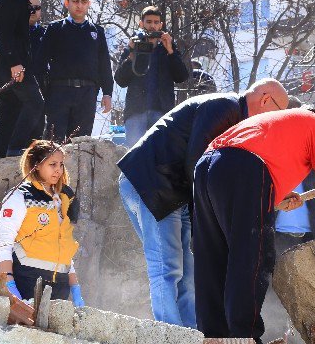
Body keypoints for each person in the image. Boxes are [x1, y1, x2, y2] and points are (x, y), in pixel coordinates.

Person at [192, 105, 315, 344]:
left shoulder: (273, 125)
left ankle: (213, 341)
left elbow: (237, 165)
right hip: (244, 169)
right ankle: (244, 341)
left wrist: (274, 196)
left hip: (206, 166)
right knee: (251, 256)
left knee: (213, 256)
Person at [117, 79, 289, 328]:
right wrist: (205, 225)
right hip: (151, 183)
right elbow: (197, 163)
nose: (276, 122)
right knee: (167, 268)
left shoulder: (237, 120)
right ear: (265, 100)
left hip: (177, 192)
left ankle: (191, 335)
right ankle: (171, 337)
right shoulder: (223, 107)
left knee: (187, 275)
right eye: (278, 113)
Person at [0, 140, 83, 305]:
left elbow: (65, 246)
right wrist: (8, 281)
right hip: (28, 280)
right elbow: (4, 242)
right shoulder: (20, 195)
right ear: (36, 165)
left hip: (60, 285)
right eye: (52, 164)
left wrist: (75, 287)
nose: (58, 169)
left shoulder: (65, 197)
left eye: (61, 164)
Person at [41, 0, 113, 141]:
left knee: (82, 144)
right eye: (75, 1)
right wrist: (45, 91)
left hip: (87, 94)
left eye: (83, 1)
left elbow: (104, 65)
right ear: (66, 3)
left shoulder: (97, 31)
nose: (79, 5)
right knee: (54, 142)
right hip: (59, 92)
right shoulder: (55, 29)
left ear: (89, 4)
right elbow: (40, 62)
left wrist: (107, 93)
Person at [0, 0, 45, 156]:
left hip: (12, 64)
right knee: (35, 103)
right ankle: (16, 150)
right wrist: (14, 63)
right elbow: (3, 32)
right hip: (13, 64)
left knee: (10, 110)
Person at [114, 6, 190, 147]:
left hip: (161, 110)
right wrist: (131, 55)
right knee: (134, 155)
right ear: (141, 24)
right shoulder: (133, 47)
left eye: (156, 22)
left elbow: (181, 77)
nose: (152, 26)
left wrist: (171, 51)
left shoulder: (167, 49)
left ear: (161, 25)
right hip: (136, 111)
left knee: (160, 155)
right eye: (149, 22)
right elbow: (120, 80)